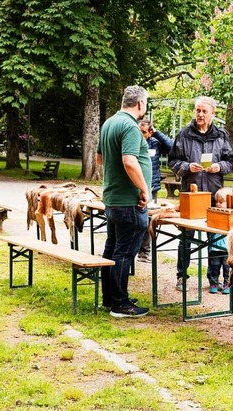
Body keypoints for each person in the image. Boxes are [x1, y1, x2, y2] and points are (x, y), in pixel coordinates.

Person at [167, 96, 233, 290]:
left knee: (216, 238)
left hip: (215, 195)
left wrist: (219, 166)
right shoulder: (184, 135)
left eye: (204, 111)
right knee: (186, 238)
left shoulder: (222, 135)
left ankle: (214, 279)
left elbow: (230, 161)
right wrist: (188, 167)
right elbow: (172, 161)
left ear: (213, 113)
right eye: (198, 110)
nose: (200, 114)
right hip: (192, 194)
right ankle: (182, 277)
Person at [96, 85, 152, 318]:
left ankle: (110, 297)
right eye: (145, 104)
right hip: (129, 201)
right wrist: (143, 189)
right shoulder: (130, 126)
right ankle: (120, 304)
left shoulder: (109, 123)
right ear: (140, 104)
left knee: (113, 248)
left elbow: (100, 159)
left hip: (113, 198)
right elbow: (129, 161)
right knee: (125, 251)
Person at [137, 119, 174, 263]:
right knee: (136, 220)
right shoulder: (133, 141)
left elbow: (172, 146)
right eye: (139, 131)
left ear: (150, 132)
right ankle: (136, 249)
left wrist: (157, 133)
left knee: (148, 219)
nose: (141, 134)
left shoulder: (154, 142)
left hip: (151, 187)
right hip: (135, 185)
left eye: (144, 132)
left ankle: (144, 253)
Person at [208, 188, 233, 294]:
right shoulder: (214, 212)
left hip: (227, 248)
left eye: (221, 202)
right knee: (214, 266)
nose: (218, 204)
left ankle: (227, 283)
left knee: (227, 268)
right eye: (216, 202)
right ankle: (214, 283)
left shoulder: (232, 215)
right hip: (214, 247)